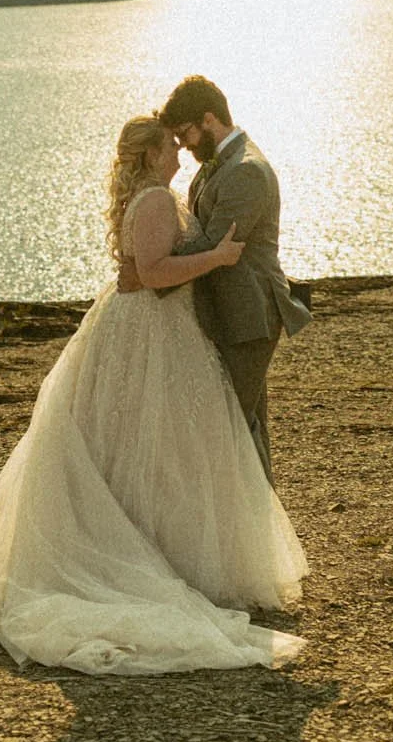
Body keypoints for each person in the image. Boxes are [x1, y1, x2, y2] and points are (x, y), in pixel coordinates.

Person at [0, 116, 308, 675]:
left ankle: (158, 550)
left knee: (148, 444)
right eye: (169, 147)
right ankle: (152, 559)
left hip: (153, 327)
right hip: (149, 334)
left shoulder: (153, 197)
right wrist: (216, 258)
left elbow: (144, 270)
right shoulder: (157, 201)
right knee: (158, 445)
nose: (178, 155)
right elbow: (155, 272)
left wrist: (163, 268)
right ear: (146, 156)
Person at [128, 75, 309, 483]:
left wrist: (149, 269)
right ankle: (260, 534)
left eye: (185, 133)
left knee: (231, 427)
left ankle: (253, 534)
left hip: (248, 315)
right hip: (225, 312)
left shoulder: (246, 171)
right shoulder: (220, 164)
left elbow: (214, 244)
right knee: (244, 426)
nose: (184, 144)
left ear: (208, 119)